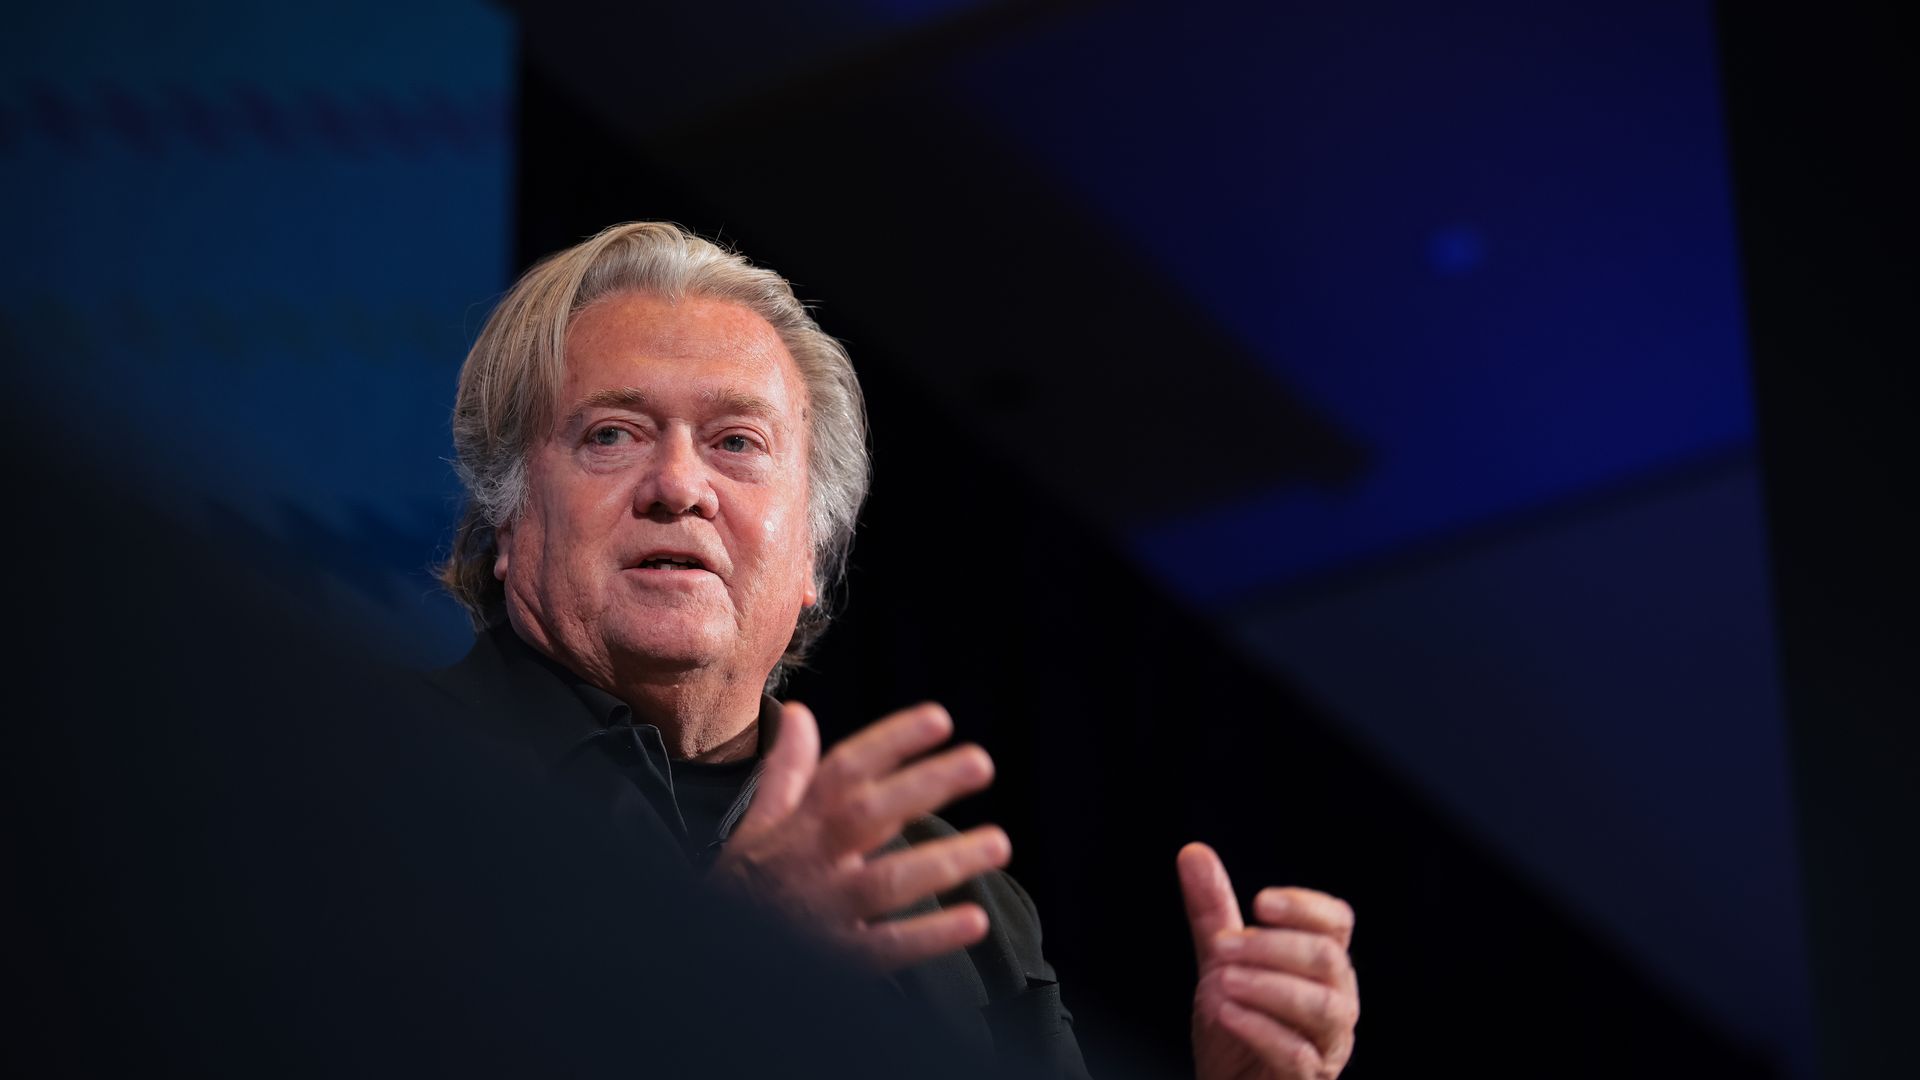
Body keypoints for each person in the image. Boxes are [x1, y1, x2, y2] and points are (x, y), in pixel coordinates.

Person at [429, 222, 1360, 1078]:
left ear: (812, 559)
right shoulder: (367, 767)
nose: (679, 485)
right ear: (505, 521)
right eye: (612, 434)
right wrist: (726, 958)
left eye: (737, 442)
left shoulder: (951, 902)